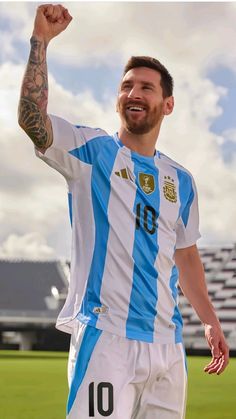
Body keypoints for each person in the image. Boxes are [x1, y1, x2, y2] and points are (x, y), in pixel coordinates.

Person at [18, 4, 229, 419]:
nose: (134, 93)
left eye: (146, 87)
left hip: (166, 345)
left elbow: (185, 256)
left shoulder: (181, 181)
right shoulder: (92, 152)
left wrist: (209, 320)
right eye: (127, 85)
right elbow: (33, 121)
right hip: (106, 338)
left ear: (167, 105)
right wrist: (40, 41)